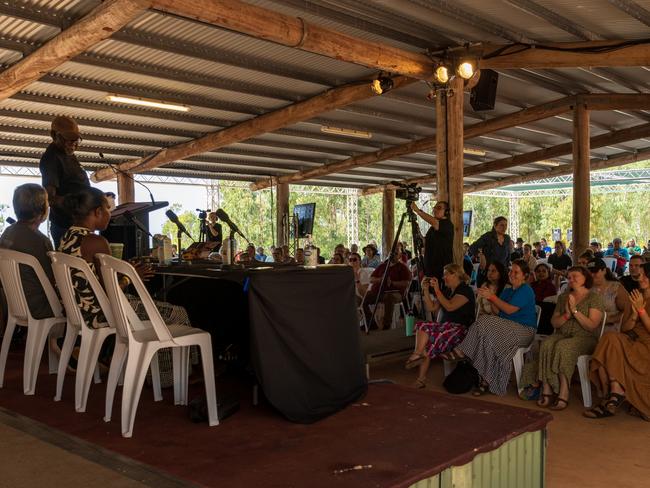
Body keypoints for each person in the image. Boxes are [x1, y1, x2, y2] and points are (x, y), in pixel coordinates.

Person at [450, 259, 537, 396]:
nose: (512, 274)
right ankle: (486, 381)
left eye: (516, 272)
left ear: (525, 275)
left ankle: (462, 351)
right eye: (511, 271)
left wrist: (492, 297)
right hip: (507, 328)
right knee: (487, 339)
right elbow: (497, 312)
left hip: (524, 330)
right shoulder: (508, 291)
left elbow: (509, 310)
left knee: (485, 322)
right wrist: (489, 297)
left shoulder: (526, 290)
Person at [584, 262, 650, 421]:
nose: (640, 277)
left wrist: (641, 310)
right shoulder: (636, 295)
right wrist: (634, 314)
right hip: (632, 339)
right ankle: (615, 392)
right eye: (639, 274)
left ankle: (614, 395)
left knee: (610, 341)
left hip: (647, 344)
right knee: (610, 338)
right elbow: (626, 328)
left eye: (644, 274)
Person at [532, 266, 604, 411]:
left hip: (585, 337)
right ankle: (547, 389)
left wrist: (574, 311)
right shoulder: (563, 297)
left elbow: (591, 326)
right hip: (562, 334)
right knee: (546, 343)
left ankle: (563, 392)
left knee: (563, 346)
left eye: (575, 276)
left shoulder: (594, 297)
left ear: (585, 278)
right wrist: (566, 315)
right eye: (569, 277)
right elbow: (554, 322)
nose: (570, 279)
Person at [404, 264, 476, 389]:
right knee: (422, 328)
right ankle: (419, 365)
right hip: (445, 328)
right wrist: (425, 290)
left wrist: (437, 290)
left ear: (456, 275)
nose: (444, 277)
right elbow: (431, 307)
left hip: (460, 331)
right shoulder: (448, 291)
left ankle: (417, 358)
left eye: (447, 274)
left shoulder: (465, 290)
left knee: (426, 334)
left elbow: (450, 306)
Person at [0, 184, 55, 319]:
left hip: (13, 304)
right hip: (39, 308)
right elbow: (52, 279)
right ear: (42, 209)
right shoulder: (41, 241)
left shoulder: (7, 233)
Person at [39, 115, 90, 248]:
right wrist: (77, 202)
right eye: (69, 138)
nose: (73, 143)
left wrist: (96, 197)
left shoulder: (68, 155)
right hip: (66, 226)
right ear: (54, 135)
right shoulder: (51, 159)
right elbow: (50, 198)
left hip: (77, 223)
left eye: (76, 139)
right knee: (70, 267)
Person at [363, 246, 411, 330]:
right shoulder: (382, 266)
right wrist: (381, 280)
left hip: (395, 293)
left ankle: (386, 324)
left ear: (399, 256)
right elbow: (371, 278)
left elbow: (406, 283)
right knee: (365, 298)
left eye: (396, 253)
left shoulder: (402, 267)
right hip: (379, 292)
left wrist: (392, 283)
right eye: (392, 253)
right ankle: (371, 323)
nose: (393, 255)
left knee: (389, 297)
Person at [410, 200, 453, 281]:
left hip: (441, 270)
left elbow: (434, 222)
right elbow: (426, 242)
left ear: (446, 212)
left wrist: (417, 210)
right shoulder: (433, 228)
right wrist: (418, 233)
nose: (435, 210)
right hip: (430, 269)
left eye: (439, 208)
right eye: (435, 207)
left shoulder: (447, 224)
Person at [587, 257, 629, 332]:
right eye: (589, 272)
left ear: (604, 271)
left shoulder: (615, 288)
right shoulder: (585, 288)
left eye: (595, 271)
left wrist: (610, 319)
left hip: (610, 329)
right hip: (588, 328)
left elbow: (627, 310)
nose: (592, 275)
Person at [469, 216, 511, 287]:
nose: (504, 227)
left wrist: (507, 270)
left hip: (501, 274)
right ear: (495, 225)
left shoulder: (507, 238)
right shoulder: (488, 236)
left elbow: (508, 256)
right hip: (487, 273)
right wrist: (481, 256)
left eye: (506, 225)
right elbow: (472, 247)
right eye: (501, 225)